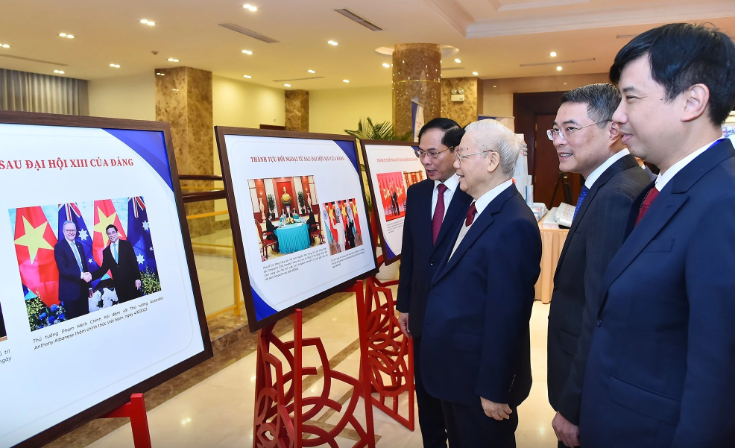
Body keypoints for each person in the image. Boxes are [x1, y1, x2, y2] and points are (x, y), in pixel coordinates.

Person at [579, 23, 735, 447]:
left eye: (631, 98)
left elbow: (717, 378)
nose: (617, 115)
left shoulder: (723, 202)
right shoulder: (662, 189)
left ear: (692, 101)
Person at [421, 119, 541, 448]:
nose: (456, 165)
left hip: (479, 383)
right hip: (457, 374)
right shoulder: (477, 208)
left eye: (462, 155)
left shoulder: (513, 223)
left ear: (491, 161)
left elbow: (508, 317)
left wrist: (494, 388)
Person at [546, 84, 650, 448]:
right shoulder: (610, 183)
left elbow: (600, 311)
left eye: (570, 129)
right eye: (555, 130)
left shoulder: (616, 194)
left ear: (613, 130)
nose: (558, 140)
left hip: (589, 389)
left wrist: (573, 405)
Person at [396, 117, 472, 448]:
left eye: (433, 153)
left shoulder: (473, 195)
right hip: (422, 313)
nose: (425, 161)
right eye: (420, 153)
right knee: (425, 394)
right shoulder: (417, 193)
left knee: (456, 400)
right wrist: (404, 305)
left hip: (457, 318)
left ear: (456, 151)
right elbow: (411, 253)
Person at [91, 225, 142, 304]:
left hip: (132, 283)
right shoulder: (106, 251)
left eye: (113, 232)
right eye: (109, 233)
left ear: (117, 233)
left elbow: (134, 262)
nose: (111, 235)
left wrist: (137, 278)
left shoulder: (126, 244)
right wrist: (90, 276)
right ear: (107, 235)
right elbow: (103, 269)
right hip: (119, 287)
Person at [53, 220, 91, 319]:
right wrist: (82, 275)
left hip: (83, 290)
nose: (71, 232)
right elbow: (63, 270)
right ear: (63, 231)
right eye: (68, 230)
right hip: (70, 293)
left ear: (76, 231)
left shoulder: (79, 245)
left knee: (86, 318)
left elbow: (84, 266)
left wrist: (89, 287)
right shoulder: (59, 247)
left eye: (73, 230)